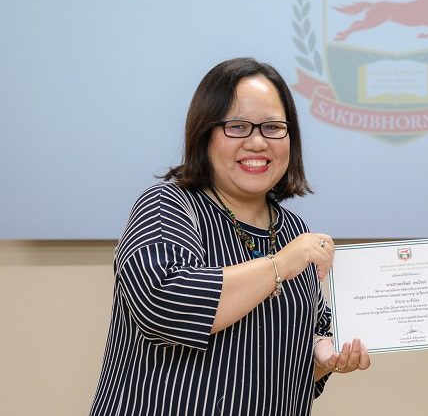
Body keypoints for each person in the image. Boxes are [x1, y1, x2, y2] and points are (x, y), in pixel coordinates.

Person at [90, 57, 370, 415]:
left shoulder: (294, 231)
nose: (258, 142)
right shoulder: (167, 205)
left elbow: (299, 347)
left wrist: (323, 359)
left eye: (273, 127)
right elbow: (163, 304)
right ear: (205, 133)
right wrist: (280, 264)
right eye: (237, 127)